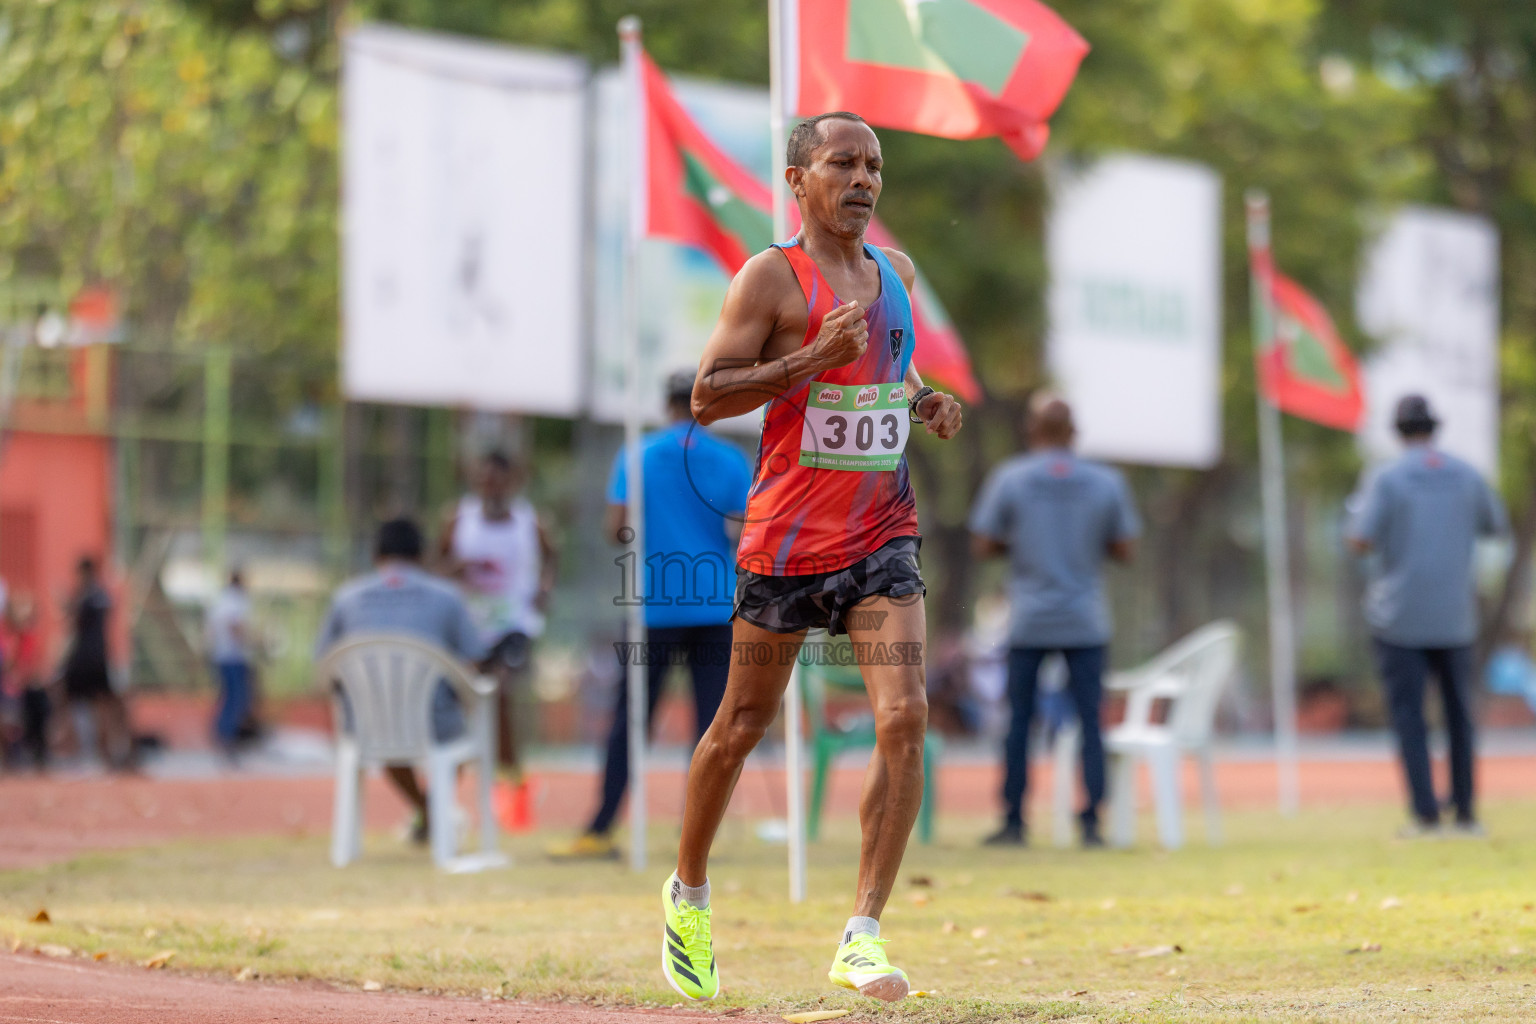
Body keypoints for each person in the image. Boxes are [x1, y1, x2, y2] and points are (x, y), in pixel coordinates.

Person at [660, 111, 963, 1004]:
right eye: (842, 163)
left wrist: (925, 404)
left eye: (874, 165)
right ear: (799, 179)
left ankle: (863, 934)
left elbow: (890, 376)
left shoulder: (895, 276)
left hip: (881, 535)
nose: (863, 179)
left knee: (903, 716)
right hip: (786, 543)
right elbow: (706, 396)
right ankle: (688, 895)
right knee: (740, 728)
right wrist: (804, 363)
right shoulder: (769, 279)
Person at [548, 370, 752, 861]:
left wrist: (650, 535)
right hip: (715, 604)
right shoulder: (731, 459)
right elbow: (746, 532)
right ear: (708, 403)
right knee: (712, 725)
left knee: (630, 721)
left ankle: (600, 827)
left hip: (653, 607)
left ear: (666, 405)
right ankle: (700, 832)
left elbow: (616, 528)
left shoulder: (636, 455)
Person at [969, 393, 1140, 848]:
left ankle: (1013, 821)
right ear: (1074, 433)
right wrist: (1084, 547)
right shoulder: (1106, 482)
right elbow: (1126, 549)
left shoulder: (1011, 478)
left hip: (1028, 619)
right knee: (1090, 719)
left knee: (1019, 721)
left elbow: (983, 544)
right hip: (1085, 618)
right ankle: (1091, 823)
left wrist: (1023, 545)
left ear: (1031, 431)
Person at [1346, 394, 1506, 838]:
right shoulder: (1468, 473)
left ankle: (1426, 815)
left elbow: (1360, 539)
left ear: (1398, 432)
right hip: (1456, 616)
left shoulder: (1386, 478)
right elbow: (1495, 525)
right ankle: (1468, 813)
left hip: (1399, 618)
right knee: (1460, 715)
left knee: (1409, 716)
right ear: (1435, 428)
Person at [316, 518, 486, 844]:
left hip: (367, 723)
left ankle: (426, 812)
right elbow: (474, 660)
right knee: (462, 731)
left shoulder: (346, 597)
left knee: (385, 725)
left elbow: (324, 662)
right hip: (435, 721)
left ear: (375, 554)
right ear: (422, 555)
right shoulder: (448, 596)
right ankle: (434, 810)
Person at [439, 452, 557, 809]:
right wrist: (454, 568)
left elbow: (552, 557)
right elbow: (435, 565)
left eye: (497, 480)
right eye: (484, 479)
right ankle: (452, 787)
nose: (490, 487)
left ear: (512, 481)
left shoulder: (530, 521)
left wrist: (545, 587)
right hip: (469, 626)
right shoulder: (458, 518)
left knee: (500, 692)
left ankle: (510, 777)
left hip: (514, 624)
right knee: (462, 703)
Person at [60, 556, 137, 772]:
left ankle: (92, 753)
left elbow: (73, 624)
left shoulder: (83, 596)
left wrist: (65, 605)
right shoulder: (102, 595)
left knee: (81, 702)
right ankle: (109, 754)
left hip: (83, 658)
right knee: (106, 704)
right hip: (101, 656)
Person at [205, 569, 255, 761]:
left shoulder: (220, 600)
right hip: (234, 656)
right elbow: (236, 626)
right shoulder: (236, 601)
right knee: (236, 699)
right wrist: (250, 642)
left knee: (228, 698)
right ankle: (227, 737)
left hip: (220, 655)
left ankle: (224, 735)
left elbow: (210, 629)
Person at [4, 595, 49, 770]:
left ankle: (33, 754)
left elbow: (35, 661)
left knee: (32, 721)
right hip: (17, 686)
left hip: (30, 686)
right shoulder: (15, 636)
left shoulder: (31, 636)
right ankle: (14, 756)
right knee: (13, 721)